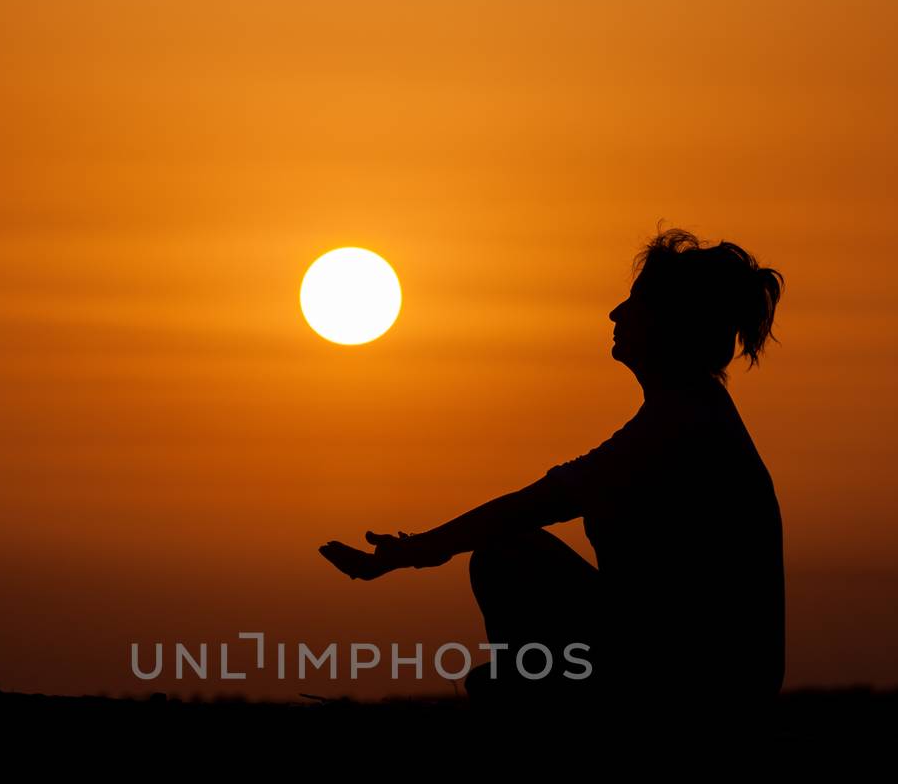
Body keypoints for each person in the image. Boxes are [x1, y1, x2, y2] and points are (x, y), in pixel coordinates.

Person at [318, 227, 785, 714]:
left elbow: (535, 504)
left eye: (636, 303)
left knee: (504, 555)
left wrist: (415, 550)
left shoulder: (684, 426)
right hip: (697, 671)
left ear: (672, 323)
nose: (615, 313)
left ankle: (535, 705)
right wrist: (422, 549)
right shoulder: (691, 414)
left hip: (700, 686)